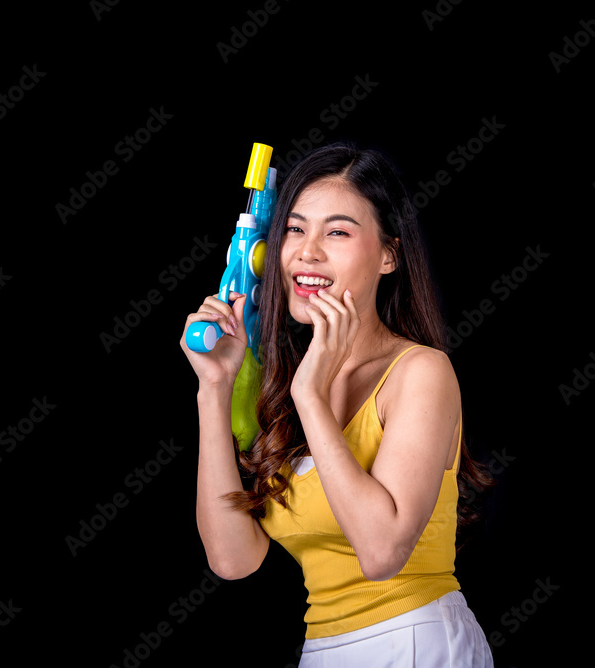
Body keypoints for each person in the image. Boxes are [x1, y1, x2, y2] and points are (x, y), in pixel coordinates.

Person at [180, 143, 494, 666]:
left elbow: (381, 553)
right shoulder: (285, 389)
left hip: (414, 641)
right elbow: (234, 559)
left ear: (389, 254)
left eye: (338, 232)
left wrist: (311, 396)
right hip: (324, 651)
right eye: (295, 229)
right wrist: (213, 390)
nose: (307, 252)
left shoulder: (420, 373)